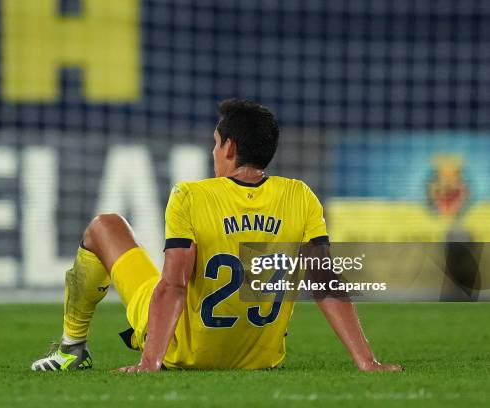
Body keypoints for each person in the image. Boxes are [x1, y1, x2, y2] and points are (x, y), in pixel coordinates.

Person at [31, 99, 402, 372]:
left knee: (105, 226)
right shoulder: (300, 196)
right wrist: (367, 361)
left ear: (229, 147)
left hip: (182, 351)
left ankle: (72, 348)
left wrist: (150, 362)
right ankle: (83, 348)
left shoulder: (191, 195)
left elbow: (174, 285)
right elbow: (326, 284)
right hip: (259, 360)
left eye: (214, 142)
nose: (213, 151)